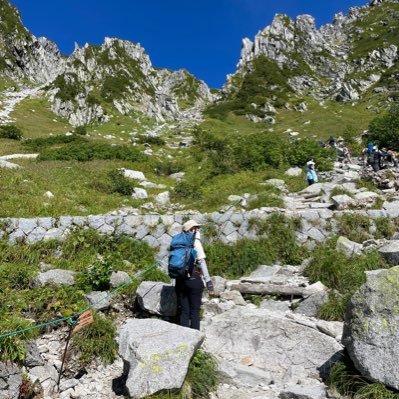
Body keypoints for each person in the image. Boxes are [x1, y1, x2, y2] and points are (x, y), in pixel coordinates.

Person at [174, 220, 214, 330]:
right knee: (194, 311)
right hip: (194, 279)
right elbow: (202, 262)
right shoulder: (195, 242)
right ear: (191, 230)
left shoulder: (177, 242)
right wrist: (209, 283)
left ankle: (183, 342)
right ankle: (195, 342)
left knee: (184, 311)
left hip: (180, 281)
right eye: (196, 228)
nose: (198, 230)